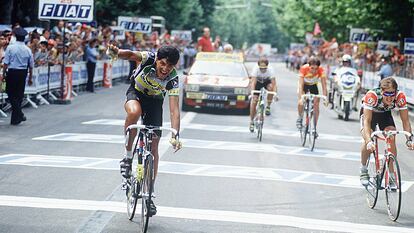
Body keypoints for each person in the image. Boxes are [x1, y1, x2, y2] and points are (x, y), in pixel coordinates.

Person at [107, 43, 182, 216]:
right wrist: (117, 53)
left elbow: (174, 109)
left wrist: (175, 134)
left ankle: (149, 195)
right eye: (162, 63)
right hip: (136, 93)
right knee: (134, 112)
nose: (165, 68)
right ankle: (127, 157)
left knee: (154, 147)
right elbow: (131, 54)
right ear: (157, 59)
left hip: (155, 102)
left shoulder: (172, 78)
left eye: (170, 66)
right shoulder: (148, 58)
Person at [359, 77, 414, 186]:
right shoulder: (372, 96)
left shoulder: (400, 97)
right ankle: (363, 169)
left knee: (391, 136)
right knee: (367, 140)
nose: (389, 98)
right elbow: (367, 121)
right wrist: (369, 141)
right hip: (369, 115)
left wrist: (409, 139)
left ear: (396, 92)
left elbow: (406, 121)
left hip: (385, 115)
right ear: (381, 91)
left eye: (392, 94)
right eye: (386, 94)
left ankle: (392, 174)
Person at [2, 27, 33, 125]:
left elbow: (6, 63)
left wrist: (3, 74)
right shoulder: (28, 50)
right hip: (23, 73)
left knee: (10, 93)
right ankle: (16, 118)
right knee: (19, 95)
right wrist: (30, 78)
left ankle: (19, 114)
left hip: (12, 72)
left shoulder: (10, 48)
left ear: (15, 36)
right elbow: (31, 65)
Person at [296, 56, 327, 137]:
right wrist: (300, 98)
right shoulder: (304, 68)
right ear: (308, 66)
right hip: (304, 86)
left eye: (316, 69)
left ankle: (314, 128)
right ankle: (299, 118)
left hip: (313, 86)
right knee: (301, 102)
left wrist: (325, 98)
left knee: (316, 104)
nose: (314, 71)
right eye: (312, 68)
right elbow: (300, 85)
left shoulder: (321, 70)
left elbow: (324, 85)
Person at [249, 57, 277, 132]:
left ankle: (268, 106)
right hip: (257, 82)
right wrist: (252, 93)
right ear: (258, 66)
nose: (263, 70)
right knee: (254, 101)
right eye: (261, 68)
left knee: (271, 88)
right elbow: (253, 83)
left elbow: (274, 84)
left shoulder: (271, 70)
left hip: (266, 81)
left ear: (267, 67)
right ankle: (251, 122)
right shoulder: (255, 69)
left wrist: (275, 94)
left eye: (264, 68)